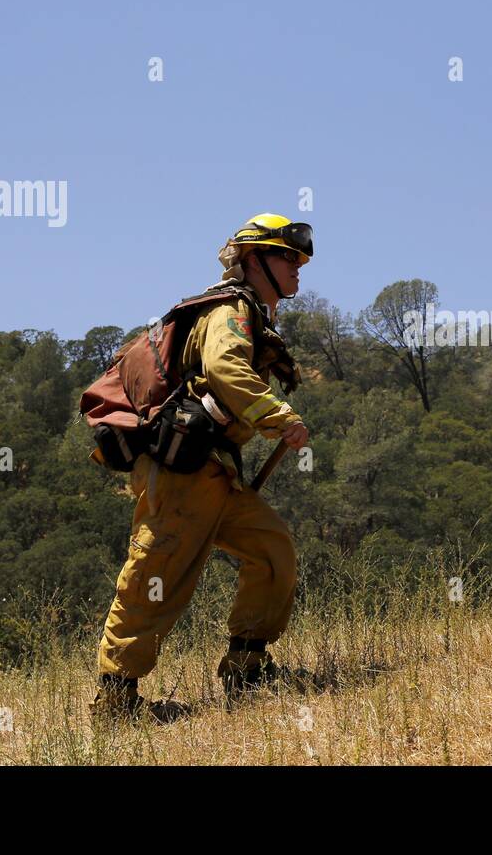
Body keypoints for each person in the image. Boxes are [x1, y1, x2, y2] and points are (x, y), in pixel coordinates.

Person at [90, 213, 313, 722]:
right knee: (156, 575)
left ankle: (246, 668)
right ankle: (116, 699)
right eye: (288, 256)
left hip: (216, 473)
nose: (299, 267)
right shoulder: (232, 310)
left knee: (272, 550)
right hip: (182, 475)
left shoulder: (252, 312)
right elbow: (224, 368)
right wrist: (278, 417)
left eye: (300, 258)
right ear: (255, 261)